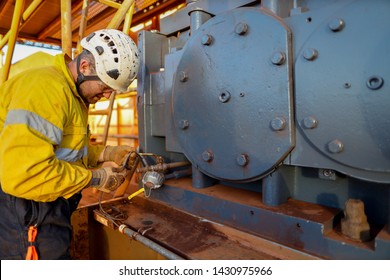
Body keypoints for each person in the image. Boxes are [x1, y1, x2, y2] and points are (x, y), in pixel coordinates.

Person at [0, 29, 140, 259]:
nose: (106, 96)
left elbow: (63, 149)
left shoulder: (72, 93)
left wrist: (106, 153)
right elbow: (26, 174)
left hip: (48, 203)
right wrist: (96, 178)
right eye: (105, 87)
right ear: (84, 66)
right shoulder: (45, 90)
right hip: (28, 209)